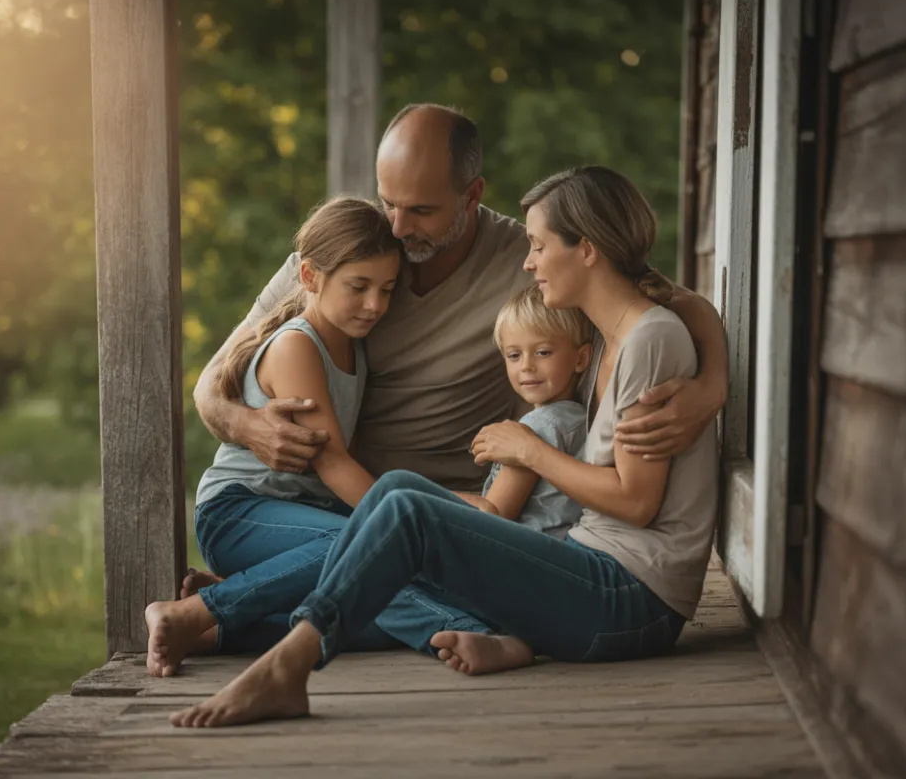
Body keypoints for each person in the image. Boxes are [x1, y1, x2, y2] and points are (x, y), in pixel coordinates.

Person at [169, 165, 720, 728]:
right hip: (593, 567)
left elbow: (636, 502)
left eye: (538, 246)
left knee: (404, 511)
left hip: (631, 596)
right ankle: (241, 633)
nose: (527, 262)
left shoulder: (649, 337)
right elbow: (689, 304)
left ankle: (283, 663)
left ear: (588, 250)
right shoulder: (602, 335)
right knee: (397, 494)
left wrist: (529, 450)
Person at [191, 102, 727, 503]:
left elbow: (678, 302)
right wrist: (246, 426)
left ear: (472, 195)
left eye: (421, 210)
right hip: (333, 502)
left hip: (454, 502)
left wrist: (711, 388)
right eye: (388, 202)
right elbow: (212, 382)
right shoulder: (343, 258)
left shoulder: (530, 260)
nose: (397, 228)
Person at [144, 197, 501, 678]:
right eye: (359, 287)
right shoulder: (296, 346)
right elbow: (335, 466)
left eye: (387, 289)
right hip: (238, 513)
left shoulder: (353, 347)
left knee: (376, 590)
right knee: (372, 551)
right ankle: (196, 612)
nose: (375, 304)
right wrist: (441, 506)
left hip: (306, 520)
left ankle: (224, 626)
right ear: (310, 277)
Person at [456, 283, 590, 540]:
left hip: (521, 556)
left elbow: (491, 516)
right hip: (559, 549)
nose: (527, 366)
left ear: (581, 358)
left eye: (542, 352)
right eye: (514, 355)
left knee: (399, 493)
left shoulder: (539, 427)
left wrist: (429, 496)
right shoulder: (578, 417)